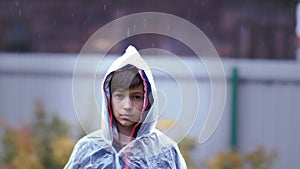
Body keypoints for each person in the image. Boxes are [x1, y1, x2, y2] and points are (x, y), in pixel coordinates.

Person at [64, 45, 187, 168]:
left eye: (136, 97)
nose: (127, 106)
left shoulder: (166, 151)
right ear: (108, 98)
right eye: (119, 96)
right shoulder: (88, 149)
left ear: (148, 101)